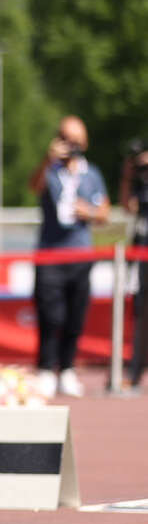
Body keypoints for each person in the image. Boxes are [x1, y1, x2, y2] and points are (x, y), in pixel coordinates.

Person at [25, 116, 111, 398]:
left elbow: (105, 212)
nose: (70, 146)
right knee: (50, 315)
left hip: (80, 252)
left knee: (75, 314)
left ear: (84, 143)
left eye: (75, 140)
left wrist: (91, 212)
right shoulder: (50, 170)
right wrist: (47, 160)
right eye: (64, 139)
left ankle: (68, 369)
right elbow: (33, 187)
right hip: (50, 253)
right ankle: (46, 368)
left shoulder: (91, 173)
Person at [121, 139, 148, 393]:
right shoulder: (140, 183)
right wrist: (129, 177)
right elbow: (128, 207)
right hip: (141, 252)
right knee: (141, 312)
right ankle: (136, 371)